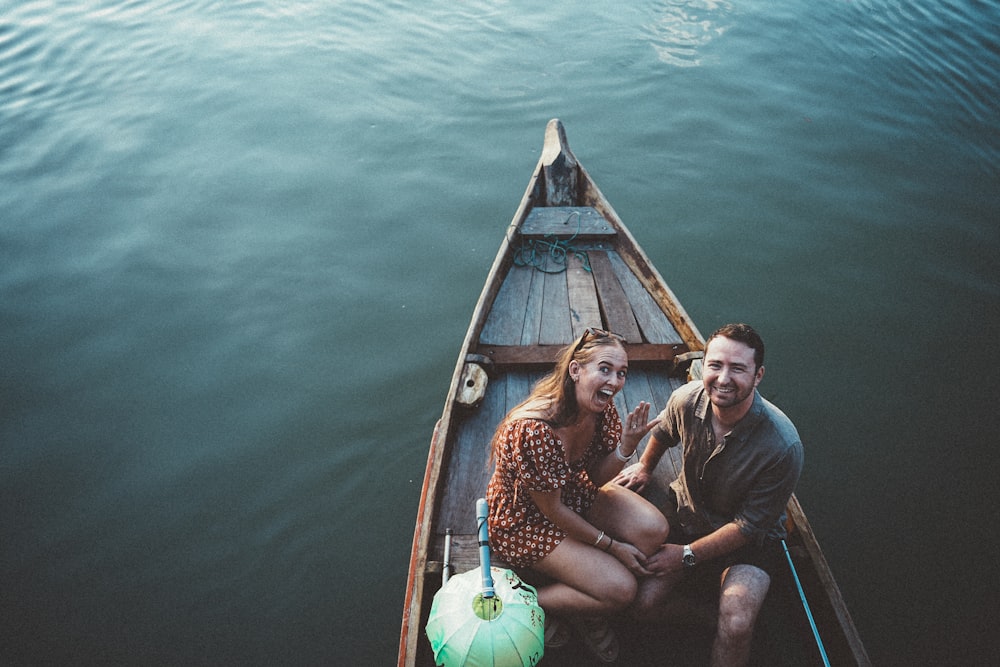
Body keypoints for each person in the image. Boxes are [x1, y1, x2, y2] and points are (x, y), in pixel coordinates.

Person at [614, 323, 803, 667]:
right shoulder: (685, 400)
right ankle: (707, 620)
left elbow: (748, 527)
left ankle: (731, 633)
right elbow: (664, 434)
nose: (723, 378)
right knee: (644, 606)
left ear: (758, 375)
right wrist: (644, 465)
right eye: (715, 365)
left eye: (738, 368)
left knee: (737, 622)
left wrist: (686, 555)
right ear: (704, 365)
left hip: (749, 543)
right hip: (688, 517)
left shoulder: (783, 446)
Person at [486, 327, 669, 663]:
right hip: (524, 520)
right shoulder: (535, 431)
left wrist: (627, 446)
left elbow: (596, 477)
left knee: (654, 530)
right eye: (605, 369)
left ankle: (589, 585)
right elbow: (552, 511)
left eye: (621, 373)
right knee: (622, 591)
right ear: (575, 370)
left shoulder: (600, 409)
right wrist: (612, 546)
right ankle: (530, 602)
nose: (614, 382)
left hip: (570, 492)